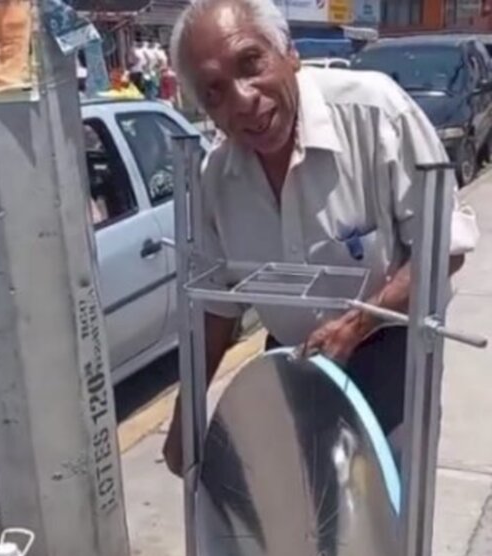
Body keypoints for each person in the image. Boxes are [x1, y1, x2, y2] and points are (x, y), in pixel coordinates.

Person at [162, 0, 477, 475]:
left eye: (251, 64)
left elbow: (444, 246)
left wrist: (354, 327)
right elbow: (216, 309)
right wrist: (184, 418)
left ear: (289, 52)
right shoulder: (217, 178)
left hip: (388, 349)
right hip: (293, 361)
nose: (242, 98)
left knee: (385, 521)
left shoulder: (374, 113)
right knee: (297, 519)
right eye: (214, 92)